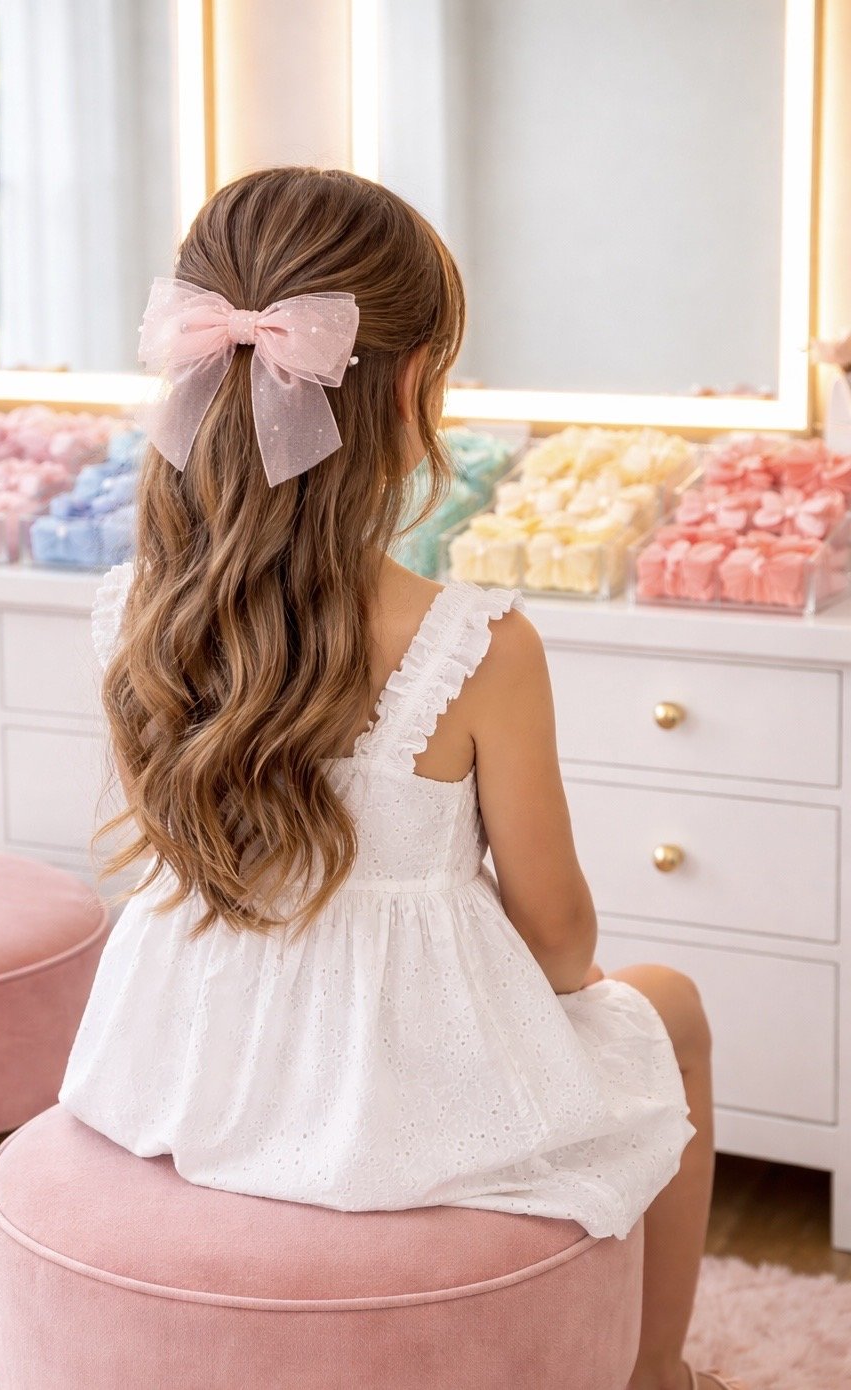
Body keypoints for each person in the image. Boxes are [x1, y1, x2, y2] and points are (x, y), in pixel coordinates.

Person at [59, 167, 740, 1390]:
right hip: (382, 1108)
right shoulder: (473, 644)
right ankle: (654, 1374)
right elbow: (561, 948)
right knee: (670, 1006)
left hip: (178, 1072)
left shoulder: (131, 613)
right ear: (418, 389)